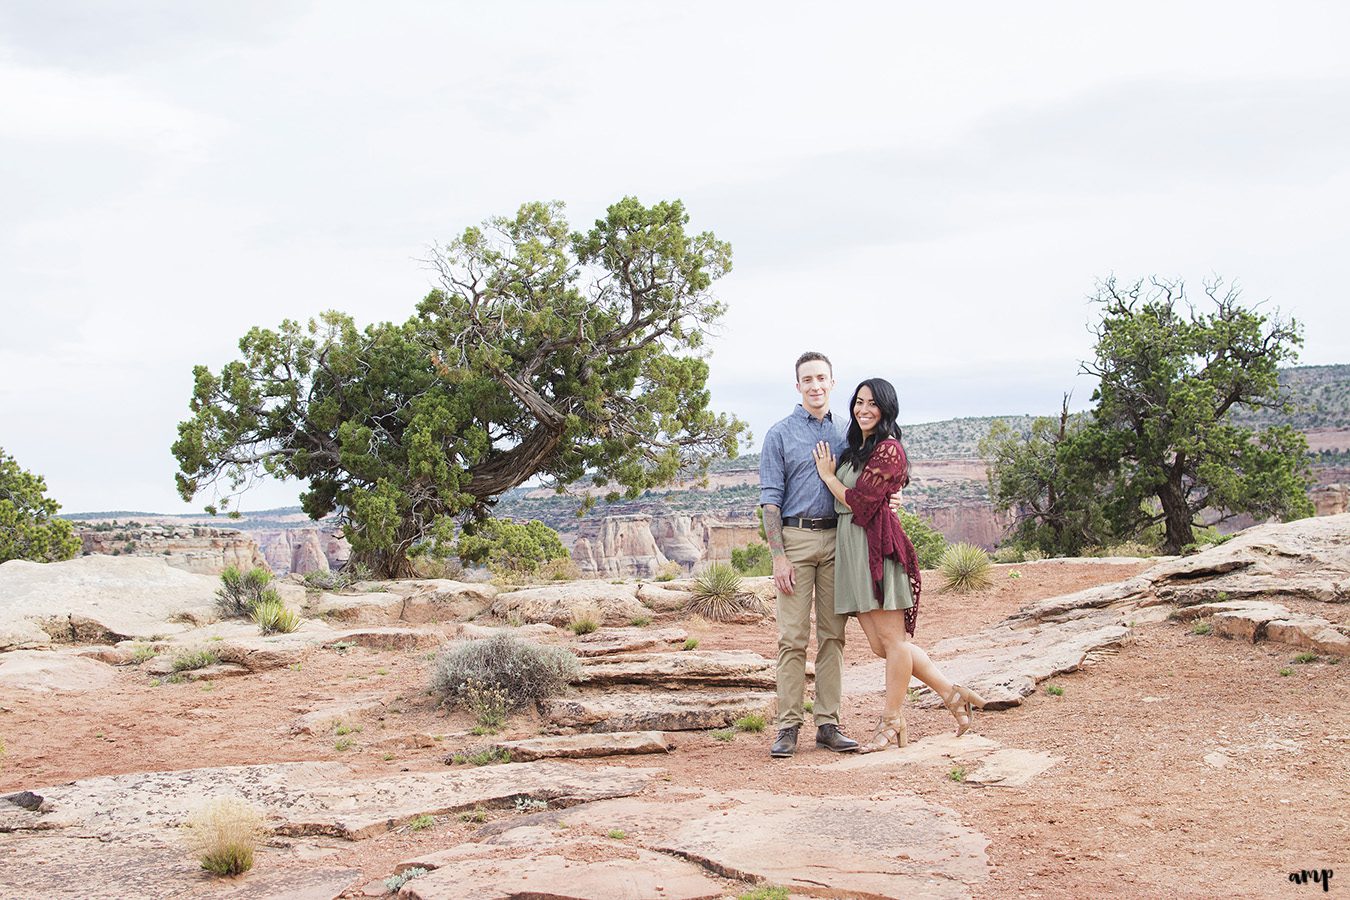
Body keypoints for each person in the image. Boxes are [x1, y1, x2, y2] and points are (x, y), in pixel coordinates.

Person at [811, 377, 986, 752]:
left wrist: (827, 476)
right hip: (852, 549)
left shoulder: (890, 449)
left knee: (894, 643)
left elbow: (860, 502)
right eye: (858, 402)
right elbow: (867, 497)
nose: (863, 409)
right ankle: (952, 693)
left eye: (872, 403)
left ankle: (891, 721)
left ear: (886, 408)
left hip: (876, 548)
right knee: (883, 646)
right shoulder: (860, 448)